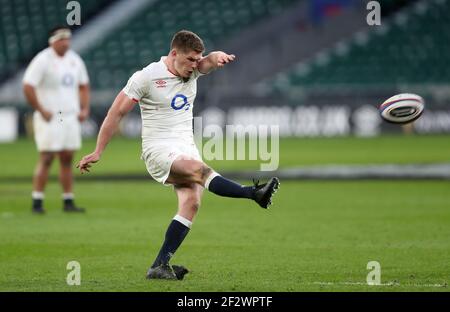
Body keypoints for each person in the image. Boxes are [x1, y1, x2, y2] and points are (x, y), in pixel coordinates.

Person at [77, 30, 279, 280]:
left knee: (192, 203)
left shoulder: (192, 67)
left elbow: (209, 60)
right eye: (190, 60)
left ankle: (159, 266)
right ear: (174, 54)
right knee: (201, 172)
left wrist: (218, 57)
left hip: (186, 145)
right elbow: (116, 113)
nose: (195, 66)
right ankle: (253, 193)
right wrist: (98, 150)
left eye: (197, 60)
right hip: (158, 149)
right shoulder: (146, 77)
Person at [23, 26, 90, 214]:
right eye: (61, 38)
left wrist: (84, 108)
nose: (66, 42)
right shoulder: (42, 60)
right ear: (52, 40)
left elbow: (84, 86)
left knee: (67, 157)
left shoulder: (74, 60)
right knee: (46, 157)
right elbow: (28, 86)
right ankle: (37, 200)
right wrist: (40, 108)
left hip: (69, 114)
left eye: (68, 38)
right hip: (51, 115)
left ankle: (68, 200)